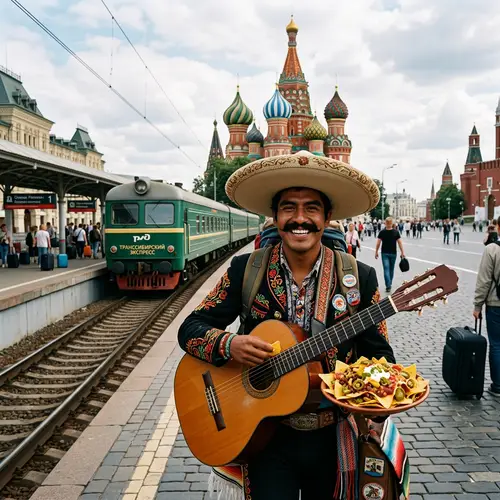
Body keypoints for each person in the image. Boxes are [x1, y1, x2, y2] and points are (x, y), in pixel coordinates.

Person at [178, 152, 406, 500]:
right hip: (264, 435)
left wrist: (378, 405)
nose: (300, 219)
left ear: (327, 217)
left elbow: (381, 357)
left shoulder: (359, 277)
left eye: (311, 208)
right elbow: (189, 329)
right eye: (289, 208)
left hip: (333, 439)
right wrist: (229, 345)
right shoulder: (246, 271)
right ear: (275, 216)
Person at [474, 231, 500, 397]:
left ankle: (498, 385)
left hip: (496, 304)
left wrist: (477, 305)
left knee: (497, 345)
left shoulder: (492, 249)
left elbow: (484, 280)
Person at [375, 217, 406, 293]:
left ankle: (388, 285)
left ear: (385, 223)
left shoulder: (382, 232)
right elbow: (399, 243)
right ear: (392, 223)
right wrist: (402, 252)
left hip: (384, 253)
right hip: (393, 253)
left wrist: (376, 252)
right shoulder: (396, 232)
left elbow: (378, 243)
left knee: (386, 269)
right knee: (391, 269)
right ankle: (389, 284)